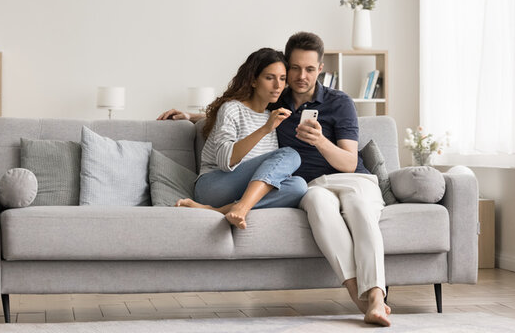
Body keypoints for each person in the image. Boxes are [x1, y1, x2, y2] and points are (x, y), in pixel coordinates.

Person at [158, 33, 391, 327]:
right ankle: (359, 298)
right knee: (303, 181)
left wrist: (320, 141)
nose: (300, 77)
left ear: (321, 69)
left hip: (348, 180)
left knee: (336, 201)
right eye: (294, 69)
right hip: (294, 185)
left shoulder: (335, 102)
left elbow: (349, 163)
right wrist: (195, 116)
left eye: (309, 69)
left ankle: (374, 298)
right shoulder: (277, 100)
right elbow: (240, 108)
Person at [174, 48, 308, 230]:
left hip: (243, 189)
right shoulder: (232, 109)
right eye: (270, 78)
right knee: (290, 154)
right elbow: (225, 161)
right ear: (253, 80)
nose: (278, 85)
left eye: (282, 79)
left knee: (298, 186)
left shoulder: (270, 116)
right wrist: (265, 129)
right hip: (214, 186)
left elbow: (269, 172)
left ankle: (219, 210)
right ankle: (241, 207)